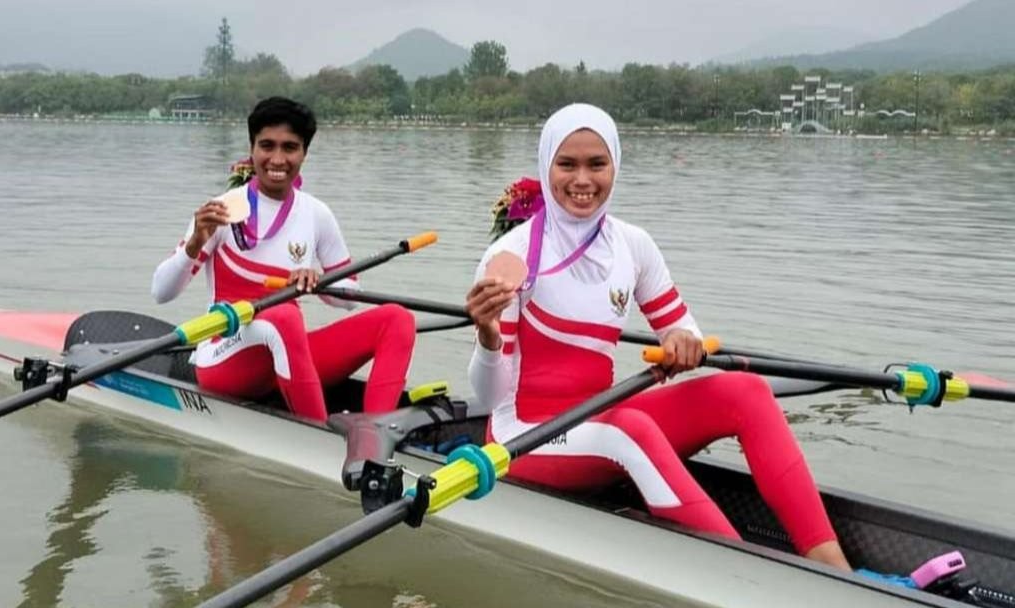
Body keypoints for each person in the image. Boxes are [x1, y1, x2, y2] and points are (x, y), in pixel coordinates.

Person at [465, 103, 852, 571]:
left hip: (600, 421)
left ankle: (833, 567)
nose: (582, 180)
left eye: (597, 164)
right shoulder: (510, 256)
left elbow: (679, 325)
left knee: (746, 391)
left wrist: (683, 341)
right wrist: (487, 336)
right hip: (524, 437)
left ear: (615, 166)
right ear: (547, 165)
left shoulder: (633, 245)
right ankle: (752, 581)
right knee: (631, 431)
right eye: (567, 164)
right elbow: (486, 399)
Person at [152, 97, 415, 422]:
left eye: (290, 147)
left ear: (304, 152)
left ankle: (377, 436)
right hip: (226, 357)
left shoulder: (317, 214)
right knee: (285, 318)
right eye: (267, 146)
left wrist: (318, 283)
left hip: (285, 354)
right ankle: (321, 441)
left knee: (397, 319)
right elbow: (161, 292)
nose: (277, 159)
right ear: (252, 149)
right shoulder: (221, 210)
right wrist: (194, 244)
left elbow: (350, 296)